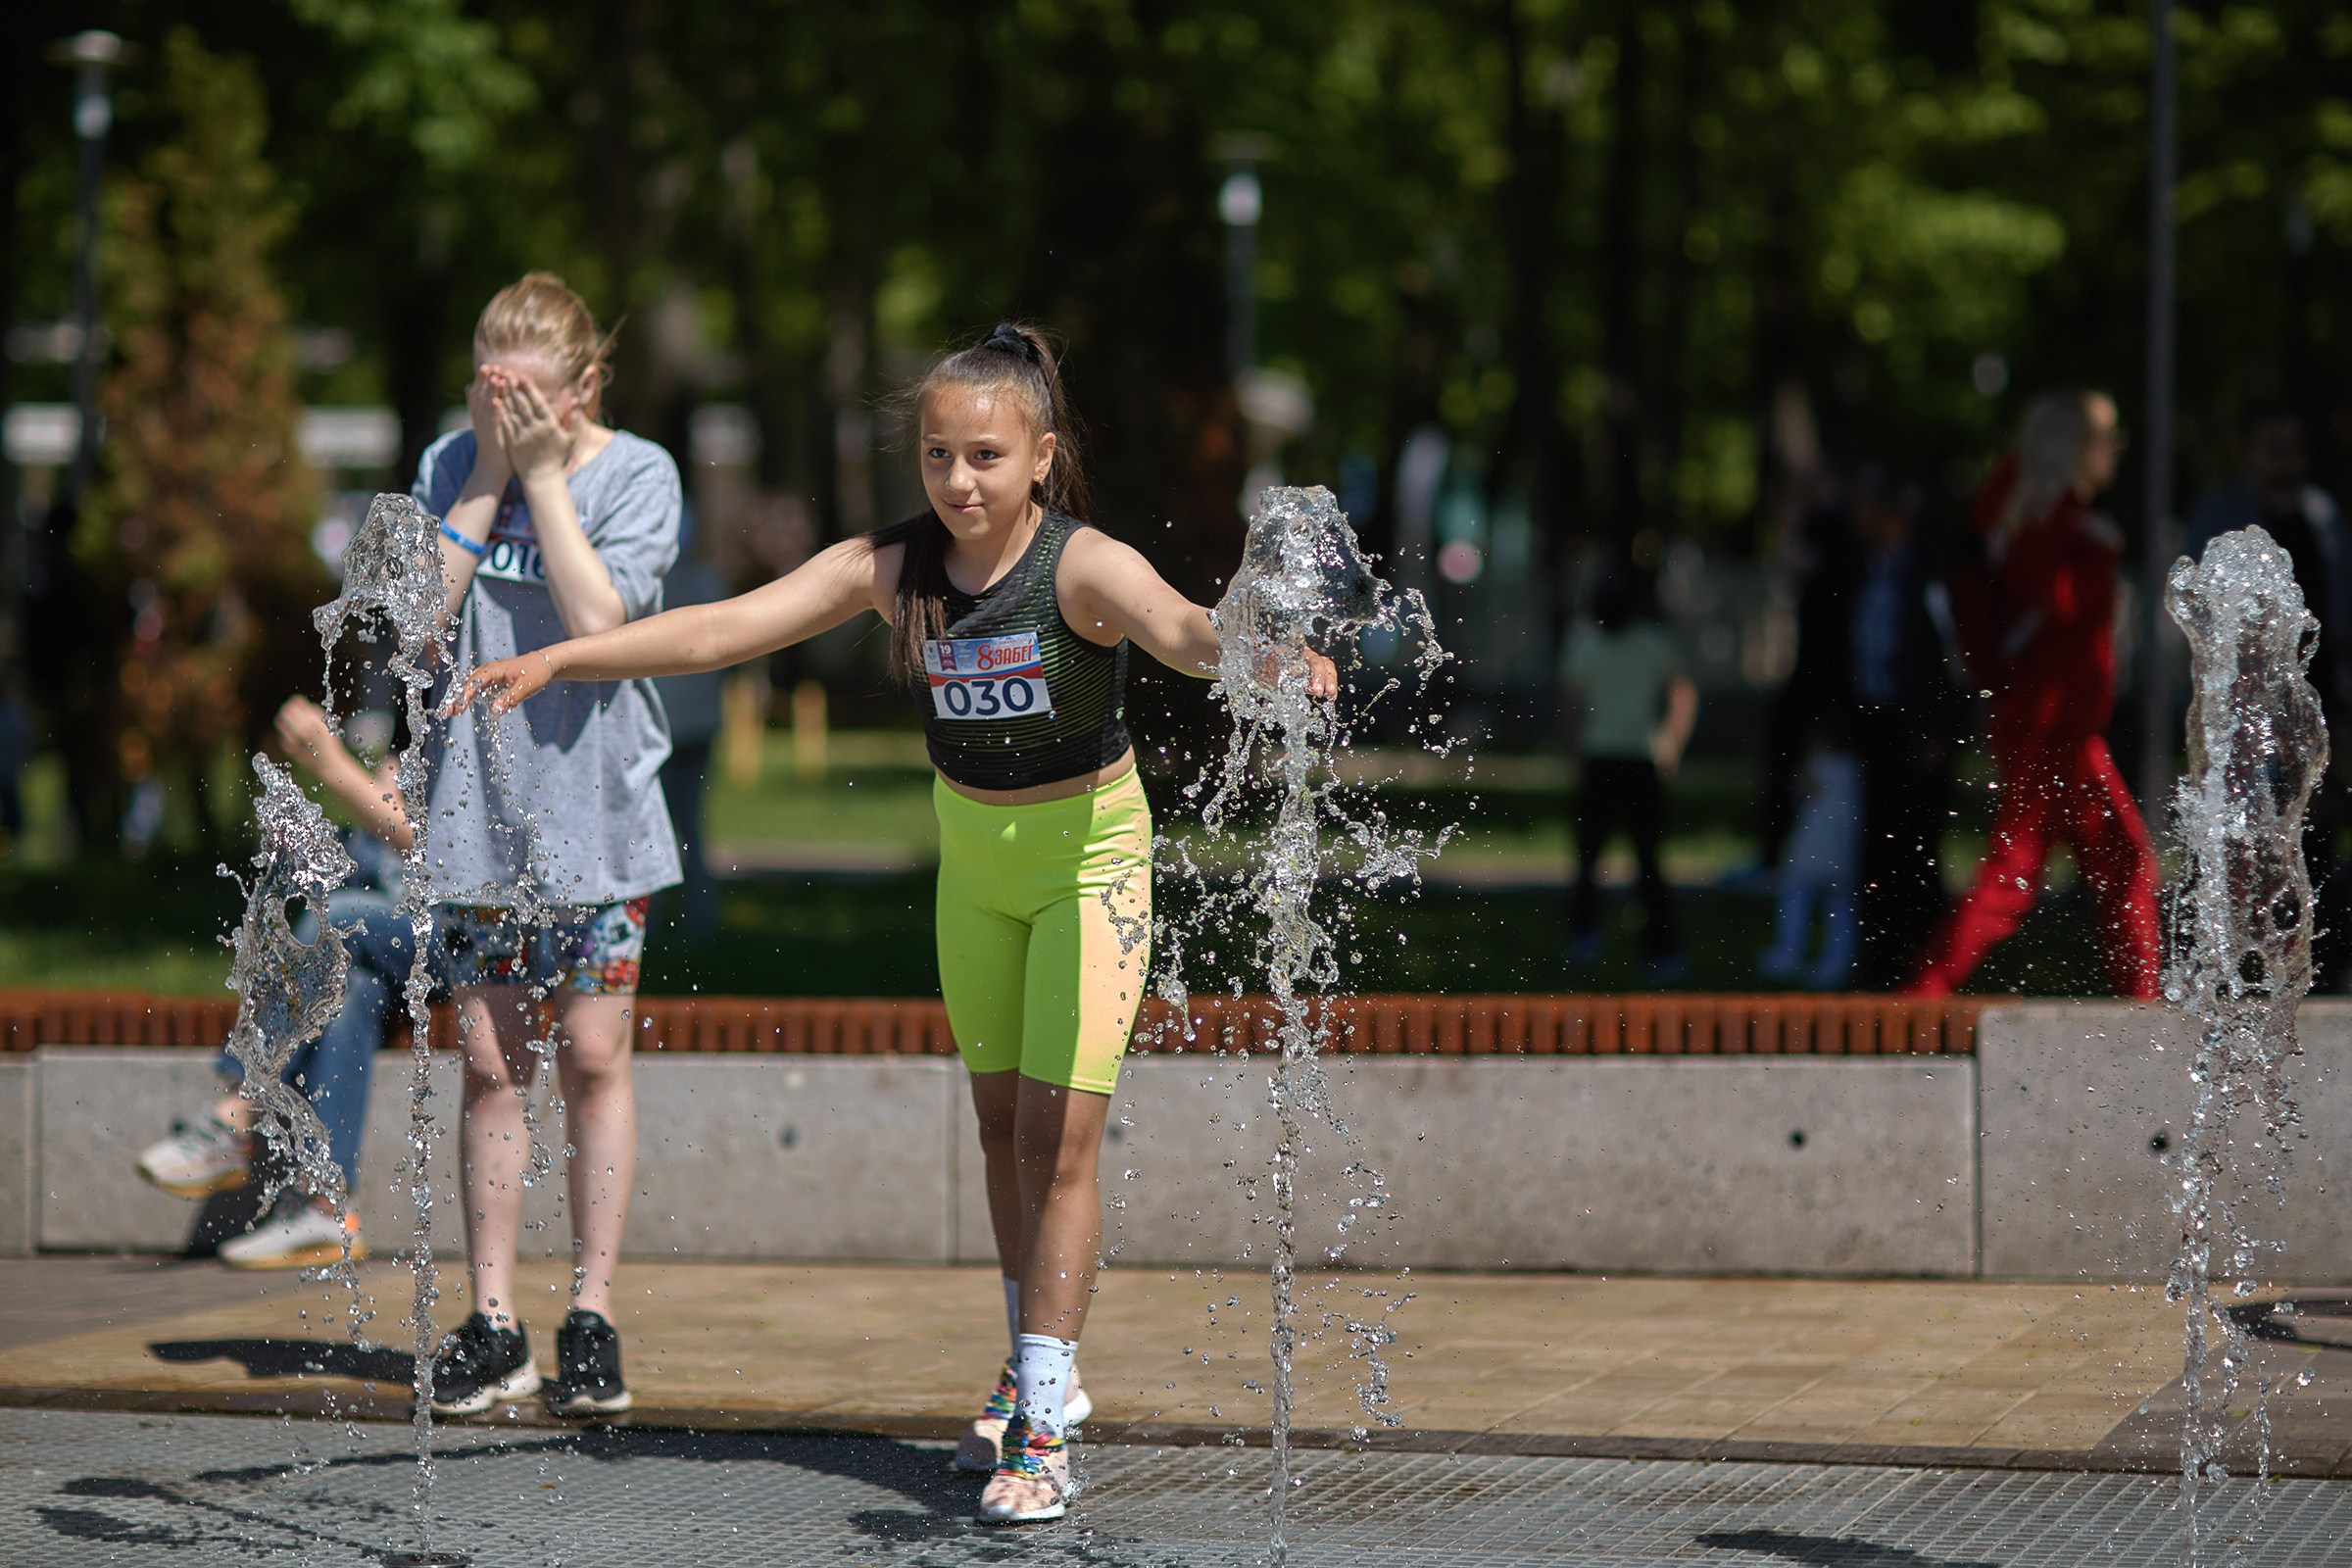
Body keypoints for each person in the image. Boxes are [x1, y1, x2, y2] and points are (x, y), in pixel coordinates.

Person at [449, 322, 1338, 1525]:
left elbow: (1185, 629)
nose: (959, 482)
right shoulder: (895, 566)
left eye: (984, 456)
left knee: (1061, 1140)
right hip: (975, 871)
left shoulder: (1082, 567)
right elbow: (727, 629)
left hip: (1090, 864)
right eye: (936, 456)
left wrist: (1260, 653)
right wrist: (566, 657)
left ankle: (1042, 1412)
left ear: (1041, 458)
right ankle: (1037, 1363)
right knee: (997, 1127)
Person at [419, 272, 682, 1423]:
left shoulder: (639, 474)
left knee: (592, 1057)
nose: (508, 411)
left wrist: (538, 478)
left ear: (583, 388)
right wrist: (484, 474)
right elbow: (421, 625)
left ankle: (591, 1312)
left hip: (599, 817)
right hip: (480, 813)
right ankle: (490, 1321)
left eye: (529, 397)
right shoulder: (449, 464)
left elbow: (601, 624)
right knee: (488, 1063)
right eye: (490, 392)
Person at [136, 696, 438, 1268]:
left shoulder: (494, 671)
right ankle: (325, 1208)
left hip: (474, 939)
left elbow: (439, 850)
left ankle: (237, 1113)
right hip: (399, 936)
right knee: (348, 990)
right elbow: (394, 821)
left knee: (341, 916)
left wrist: (330, 763)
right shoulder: (423, 677)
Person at [1909, 390, 2159, 998]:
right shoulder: (2053, 524)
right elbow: (2057, 597)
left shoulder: (2028, 512)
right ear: (2075, 448)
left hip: (2056, 726)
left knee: (2119, 864)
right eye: (2107, 438)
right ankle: (1921, 999)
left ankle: (2146, 1006)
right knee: (2017, 875)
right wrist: (2095, 547)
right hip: (2052, 726)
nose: (2116, 451)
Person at [2185, 407, 2352, 988]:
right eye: (2271, 447)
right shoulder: (2222, 518)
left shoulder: (2325, 518)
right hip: (2247, 709)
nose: (2285, 460)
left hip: (2319, 699)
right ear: (2247, 453)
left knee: (2317, 832)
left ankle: (2315, 964)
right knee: (2249, 838)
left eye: (2293, 447)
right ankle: (2244, 966)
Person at [1841, 467, 1970, 987]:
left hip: (1920, 731)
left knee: (1917, 849)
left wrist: (1942, 727)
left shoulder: (1930, 569)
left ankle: (1925, 965)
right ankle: (1879, 964)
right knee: (1876, 848)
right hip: (1879, 727)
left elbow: (1953, 655)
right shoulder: (1867, 568)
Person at [1561, 566, 1696, 978]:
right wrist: (1672, 744)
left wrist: (1670, 743)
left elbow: (1570, 704)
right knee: (1619, 859)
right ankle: (1629, 943)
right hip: (1624, 760)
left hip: (1619, 759)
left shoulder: (1595, 644)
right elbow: (1681, 693)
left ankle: (1636, 944)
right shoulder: (1639, 643)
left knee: (1621, 859)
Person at [1756, 717, 1862, 989]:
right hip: (1844, 846)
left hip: (1812, 847)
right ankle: (1837, 962)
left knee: (1796, 896)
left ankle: (1788, 953)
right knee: (1839, 905)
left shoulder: (1818, 765)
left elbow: (1800, 793)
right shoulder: (1856, 770)